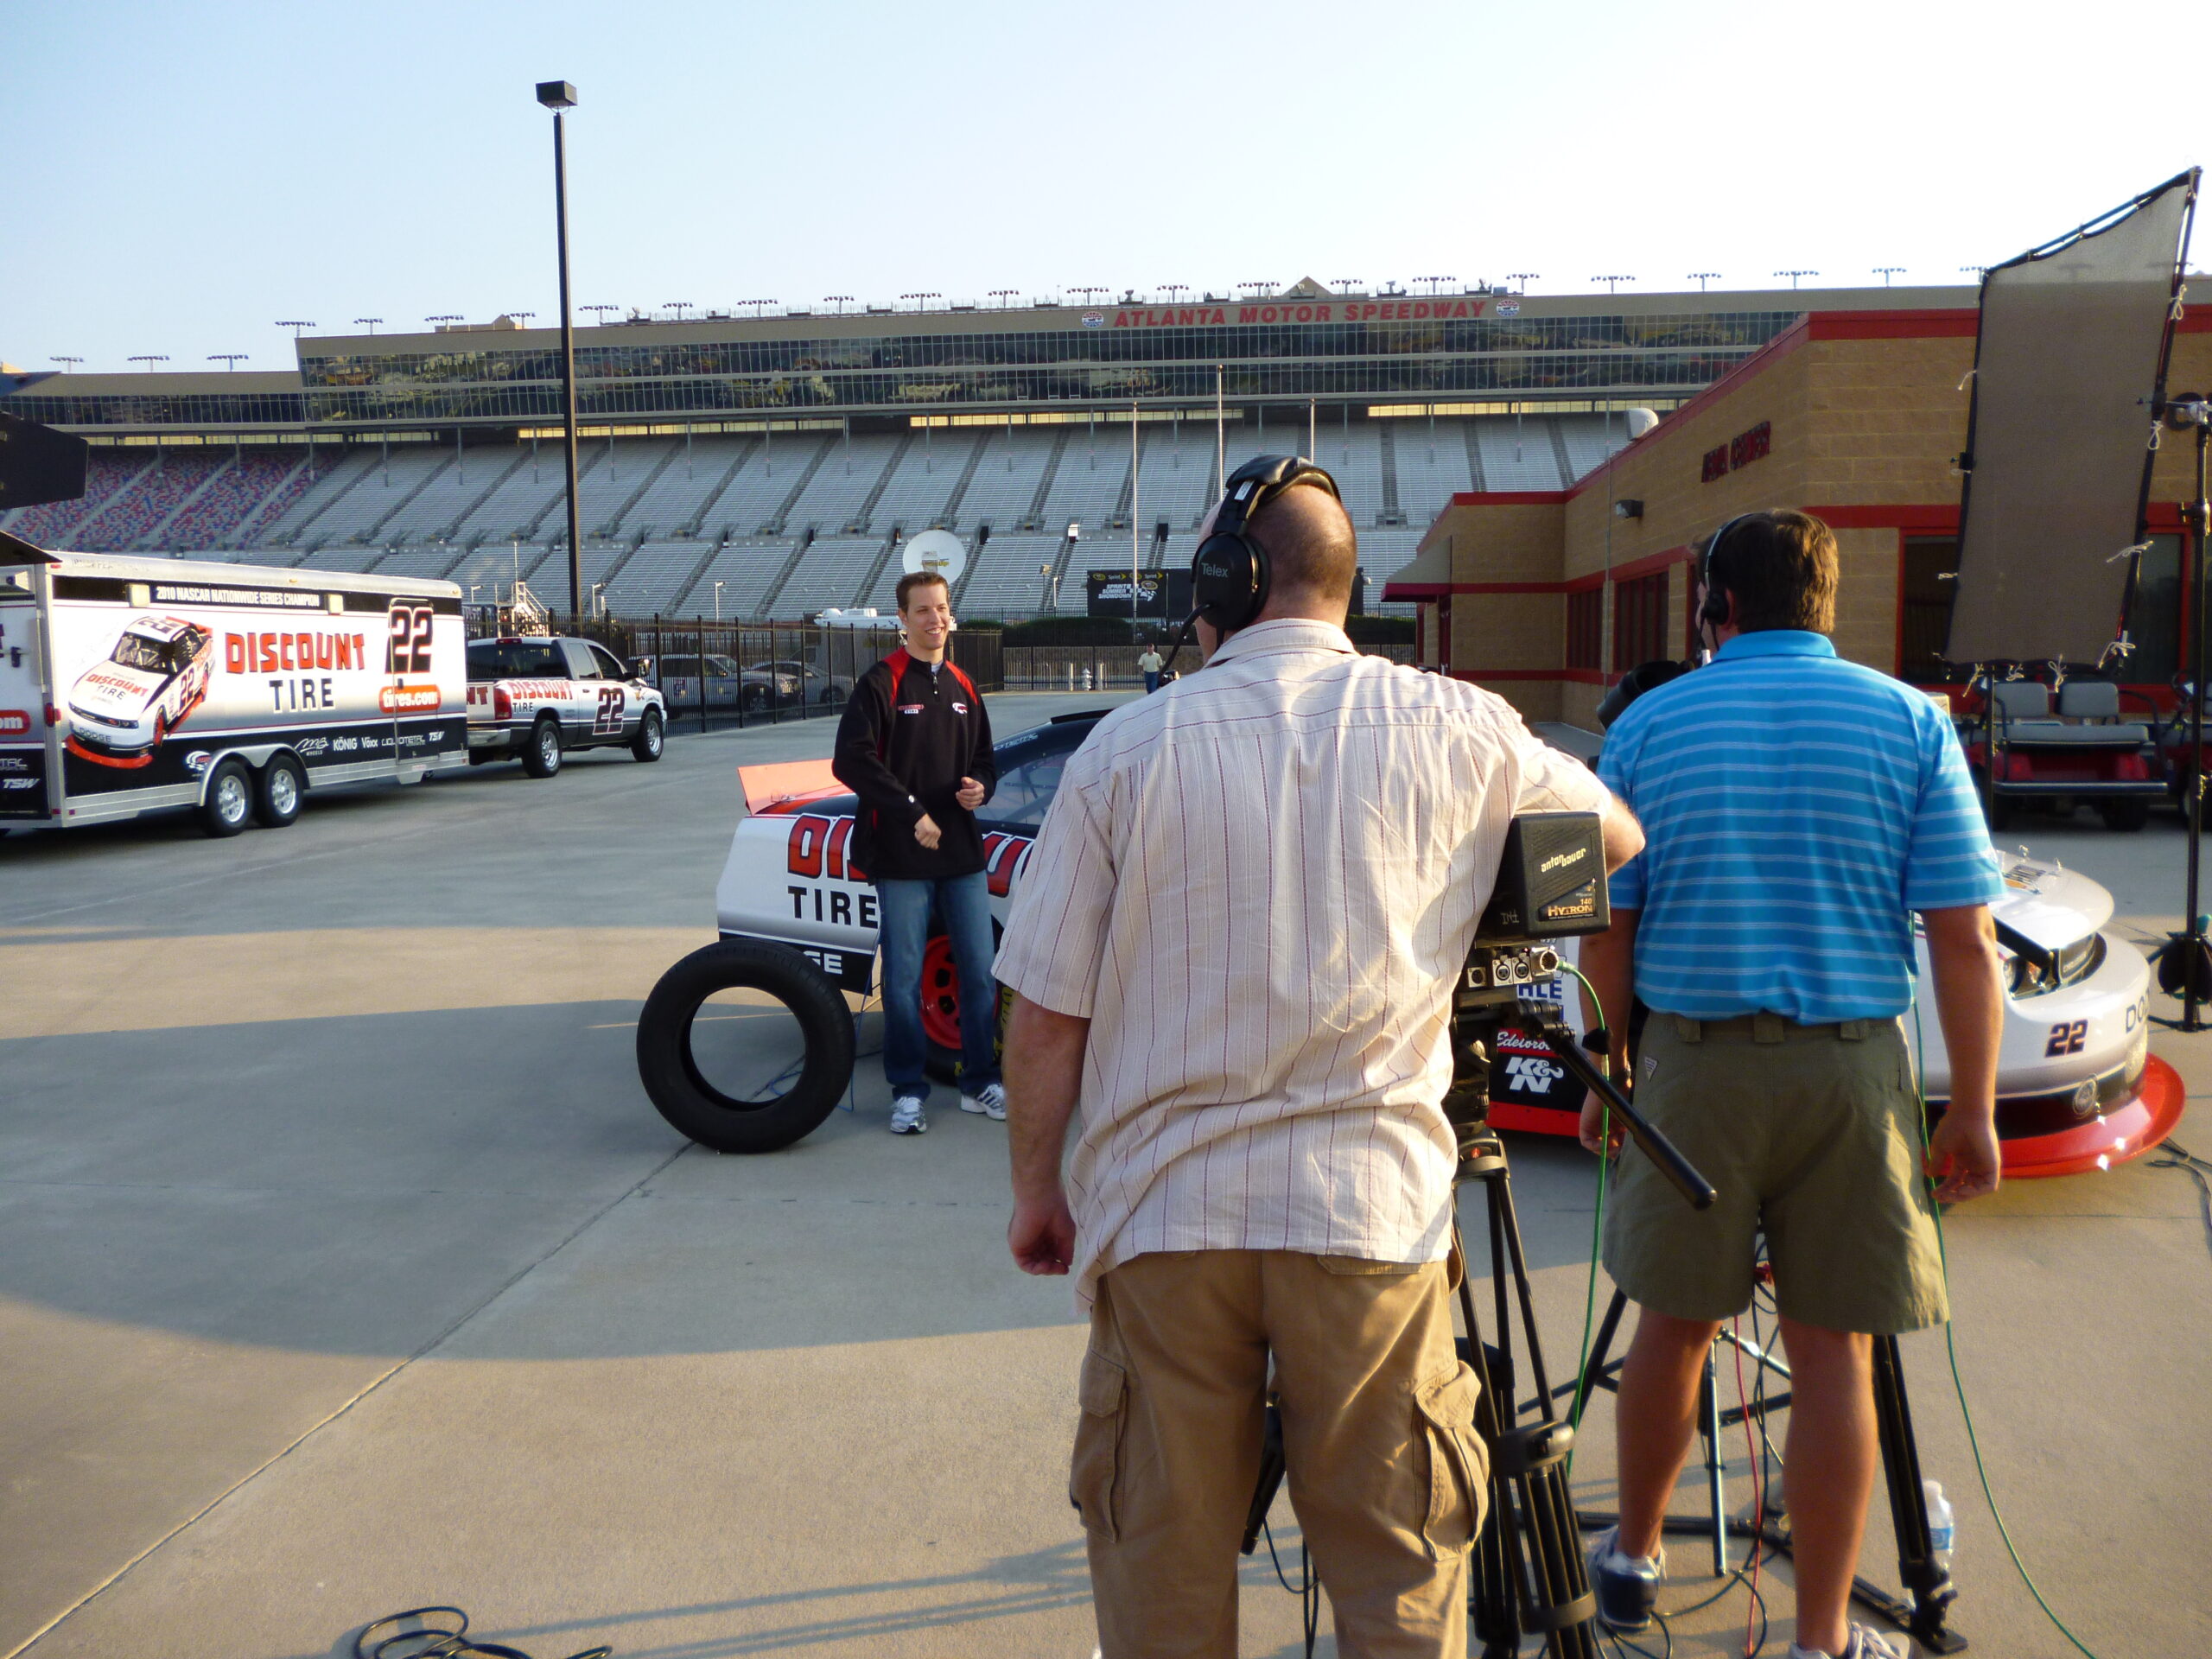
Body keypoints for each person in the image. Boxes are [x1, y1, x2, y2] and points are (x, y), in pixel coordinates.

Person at [994, 457, 1644, 1659]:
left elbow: (1044, 1012)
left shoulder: (1125, 752)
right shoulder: (1461, 722)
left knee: (1162, 1585)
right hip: (1374, 1223)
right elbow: (1613, 837)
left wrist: (1041, 1193)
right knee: (1398, 1587)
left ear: (1225, 584)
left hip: (1165, 1222)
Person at [1575, 509, 2005, 1659]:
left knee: (1672, 1329)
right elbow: (1961, 940)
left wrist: (1609, 1064)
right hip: (1853, 1076)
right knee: (1834, 1353)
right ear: (1829, 603)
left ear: (1716, 605)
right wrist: (1970, 1108)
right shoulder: (1912, 720)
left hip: (1692, 1072)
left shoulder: (1649, 729)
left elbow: (1604, 935)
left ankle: (1634, 1559)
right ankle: (1820, 1640)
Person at [830, 570, 1001, 1135]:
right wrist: (912, 814)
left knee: (979, 971)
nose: (935, 620)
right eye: (922, 610)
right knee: (902, 977)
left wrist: (980, 787)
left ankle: (980, 1082)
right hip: (902, 854)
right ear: (901, 619)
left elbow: (985, 760)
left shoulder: (963, 685)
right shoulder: (882, 683)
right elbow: (851, 761)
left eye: (942, 609)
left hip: (960, 856)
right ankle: (908, 1091)